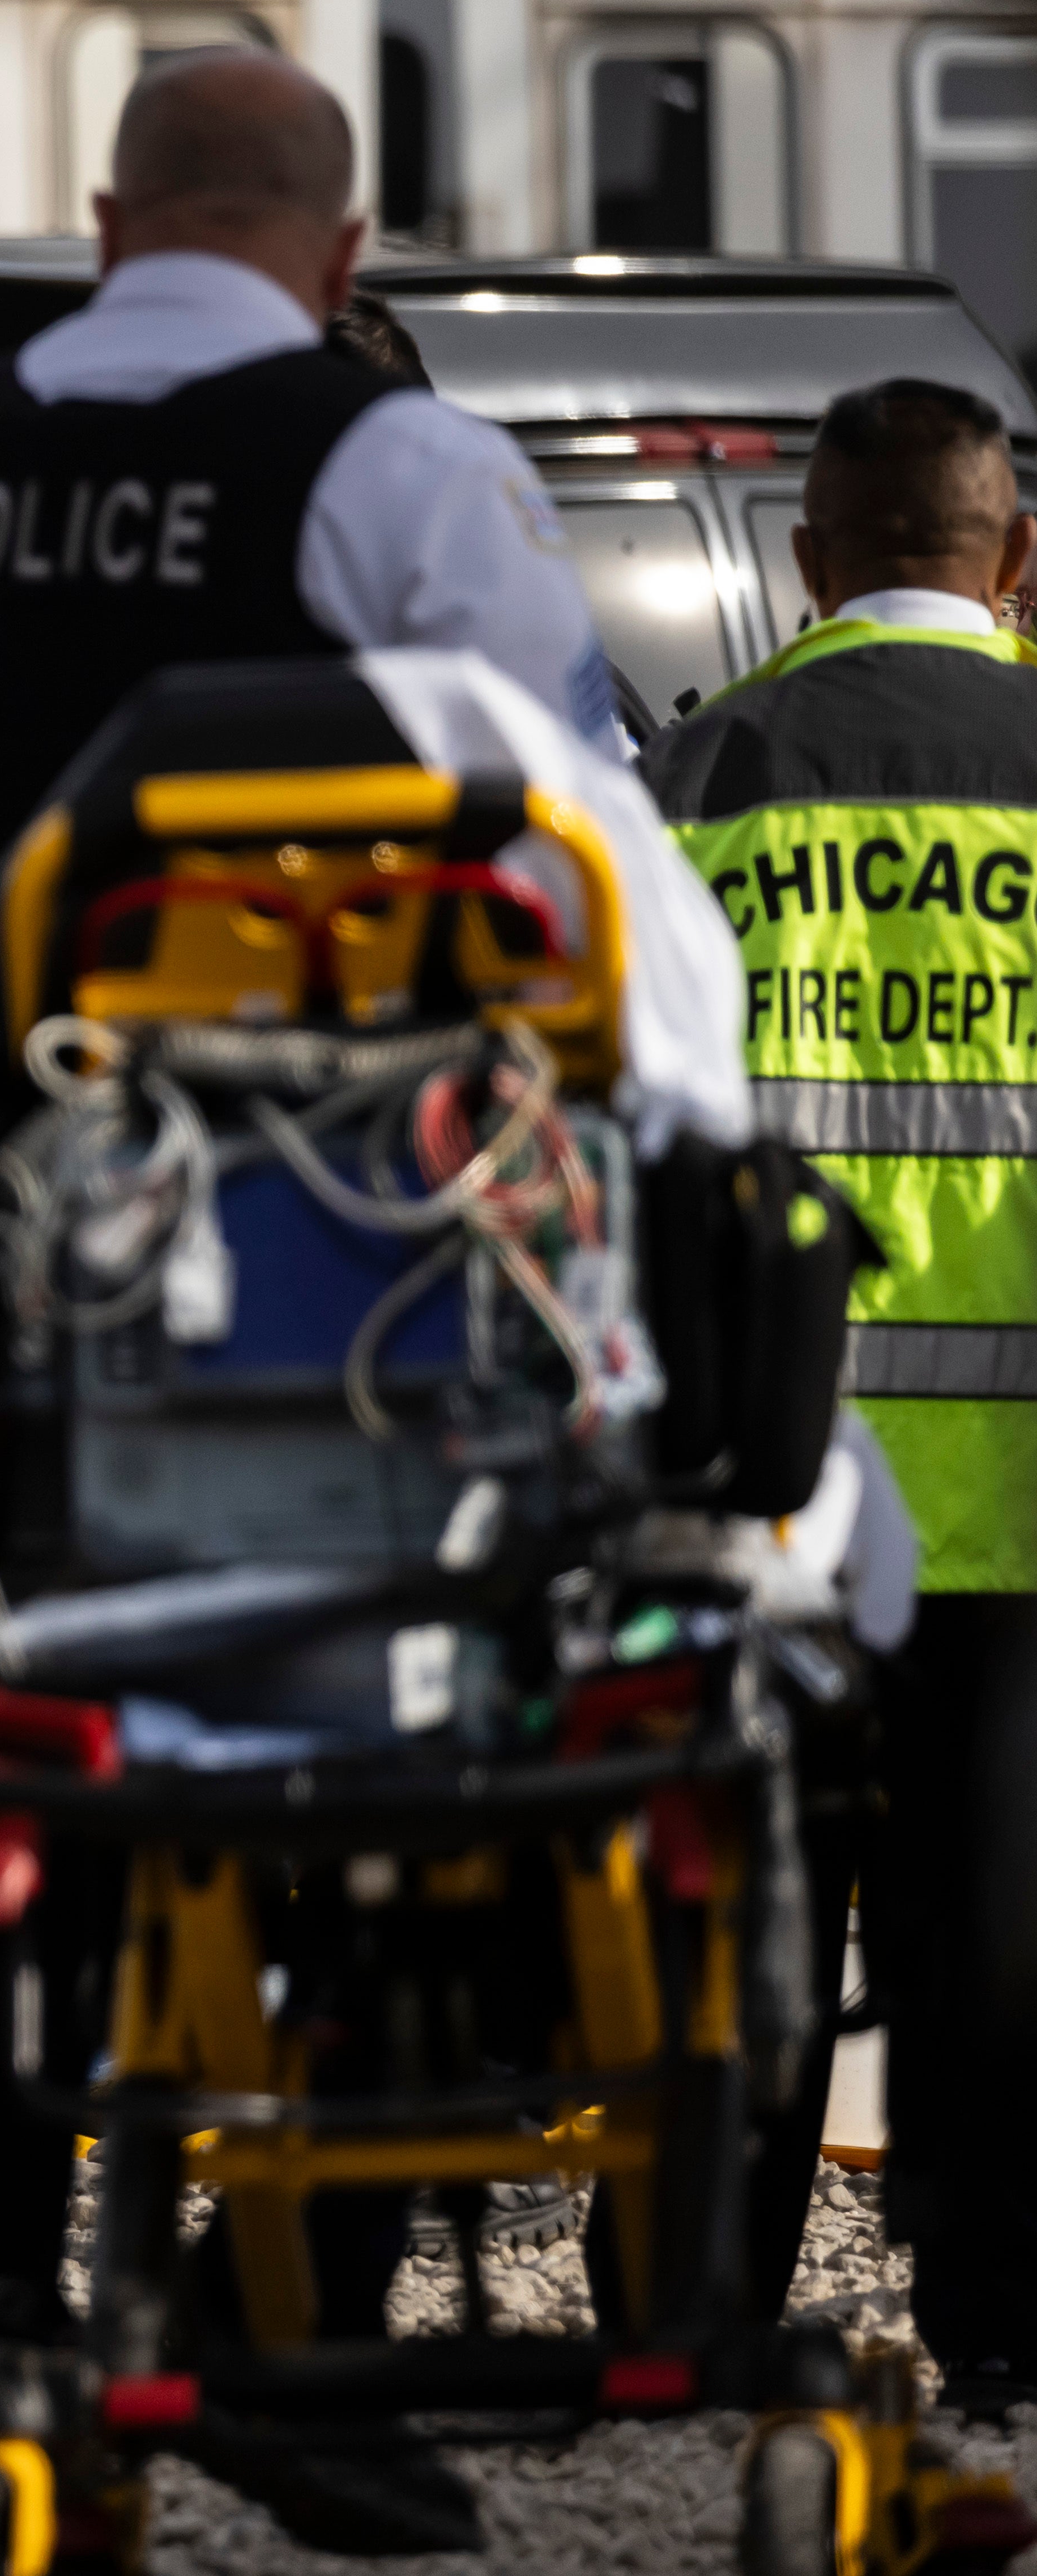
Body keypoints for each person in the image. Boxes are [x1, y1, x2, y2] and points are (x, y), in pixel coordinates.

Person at [0, 48, 604, 2554]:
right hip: (292, 1270)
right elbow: (568, 864)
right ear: (335, 253)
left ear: (102, 224)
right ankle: (268, 2317)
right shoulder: (398, 474)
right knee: (435, 1785)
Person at [646, 375, 1037, 2422]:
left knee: (740, 1916)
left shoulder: (697, 773)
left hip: (760, 1476)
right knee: (994, 1929)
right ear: (1015, 558)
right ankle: (992, 2325)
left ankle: (704, 2309)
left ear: (806, 563)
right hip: (1020, 1490)